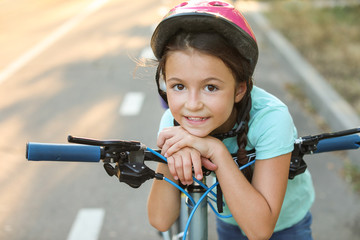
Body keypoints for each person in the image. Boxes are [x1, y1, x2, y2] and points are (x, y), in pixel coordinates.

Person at [147, 1, 315, 239]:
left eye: (211, 87)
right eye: (179, 86)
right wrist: (169, 154)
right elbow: (160, 220)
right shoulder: (173, 122)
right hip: (231, 221)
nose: (192, 104)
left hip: (285, 226)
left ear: (239, 89)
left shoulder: (271, 118)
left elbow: (260, 230)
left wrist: (216, 151)